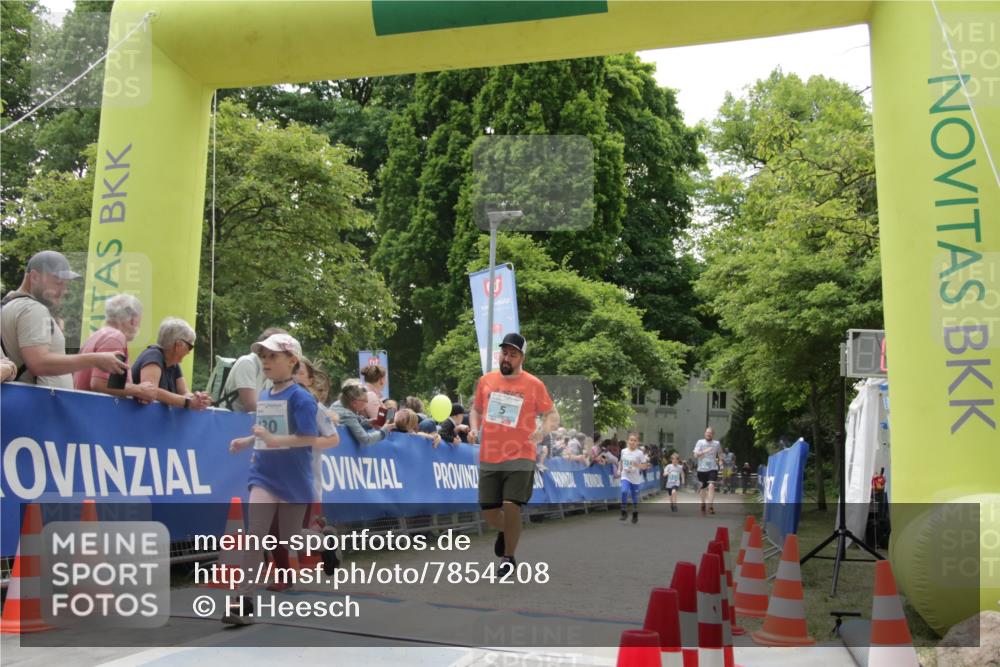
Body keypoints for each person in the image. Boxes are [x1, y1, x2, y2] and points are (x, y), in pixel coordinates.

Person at [225, 334, 333, 623]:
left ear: (292, 360)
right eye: (263, 356)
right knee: (255, 538)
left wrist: (273, 439)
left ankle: (324, 541)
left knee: (291, 539)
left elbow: (309, 438)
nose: (266, 362)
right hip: (262, 474)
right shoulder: (264, 394)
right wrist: (248, 441)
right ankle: (243, 602)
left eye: (273, 356)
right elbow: (264, 430)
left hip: (293, 481)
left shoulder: (302, 398)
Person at [468, 333, 558, 577]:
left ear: (522, 357)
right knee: (489, 511)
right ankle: (507, 531)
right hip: (490, 454)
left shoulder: (534, 384)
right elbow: (475, 410)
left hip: (521, 454)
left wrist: (541, 432)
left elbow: (553, 416)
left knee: (511, 506)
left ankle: (508, 558)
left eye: (513, 354)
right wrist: (474, 429)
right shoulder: (486, 381)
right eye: (504, 353)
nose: (507, 358)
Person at [1, 250, 128, 387]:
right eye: (58, 283)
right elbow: (38, 363)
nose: (65, 291)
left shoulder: (10, 304)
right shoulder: (33, 309)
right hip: (39, 404)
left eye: (66, 285)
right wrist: (96, 359)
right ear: (34, 277)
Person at [74, 294, 157, 402]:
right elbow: (99, 384)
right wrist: (139, 390)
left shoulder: (95, 336)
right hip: (96, 413)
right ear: (134, 320)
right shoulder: (115, 337)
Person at [131, 317, 212, 410]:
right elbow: (151, 390)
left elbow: (184, 393)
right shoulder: (153, 355)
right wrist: (188, 402)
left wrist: (198, 398)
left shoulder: (173, 364)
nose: (189, 352)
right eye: (190, 347)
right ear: (178, 345)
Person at [220, 327, 288, 412]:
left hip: (249, 422)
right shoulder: (247, 363)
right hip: (229, 420)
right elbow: (251, 407)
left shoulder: (272, 371)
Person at [331, 380, 393, 445]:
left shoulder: (340, 404)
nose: (366, 403)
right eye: (365, 401)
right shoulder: (346, 415)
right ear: (354, 402)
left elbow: (353, 423)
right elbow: (366, 439)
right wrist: (384, 431)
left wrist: (368, 422)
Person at [617, 432, 650, 523]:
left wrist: (637, 465)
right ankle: (623, 511)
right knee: (624, 491)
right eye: (631, 440)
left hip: (635, 478)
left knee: (634, 496)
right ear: (628, 440)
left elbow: (644, 466)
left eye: (635, 441)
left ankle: (635, 513)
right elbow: (621, 461)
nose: (632, 442)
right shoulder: (623, 451)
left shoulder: (639, 453)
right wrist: (619, 470)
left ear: (637, 442)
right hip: (625, 475)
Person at [693, 426, 722, 514]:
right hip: (701, 469)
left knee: (711, 485)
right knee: (703, 488)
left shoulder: (716, 443)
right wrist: (704, 451)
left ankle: (710, 506)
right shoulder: (700, 442)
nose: (708, 434)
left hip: (712, 468)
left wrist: (721, 461)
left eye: (710, 433)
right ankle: (703, 503)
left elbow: (720, 453)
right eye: (707, 432)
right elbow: (695, 455)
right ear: (705, 433)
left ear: (713, 434)